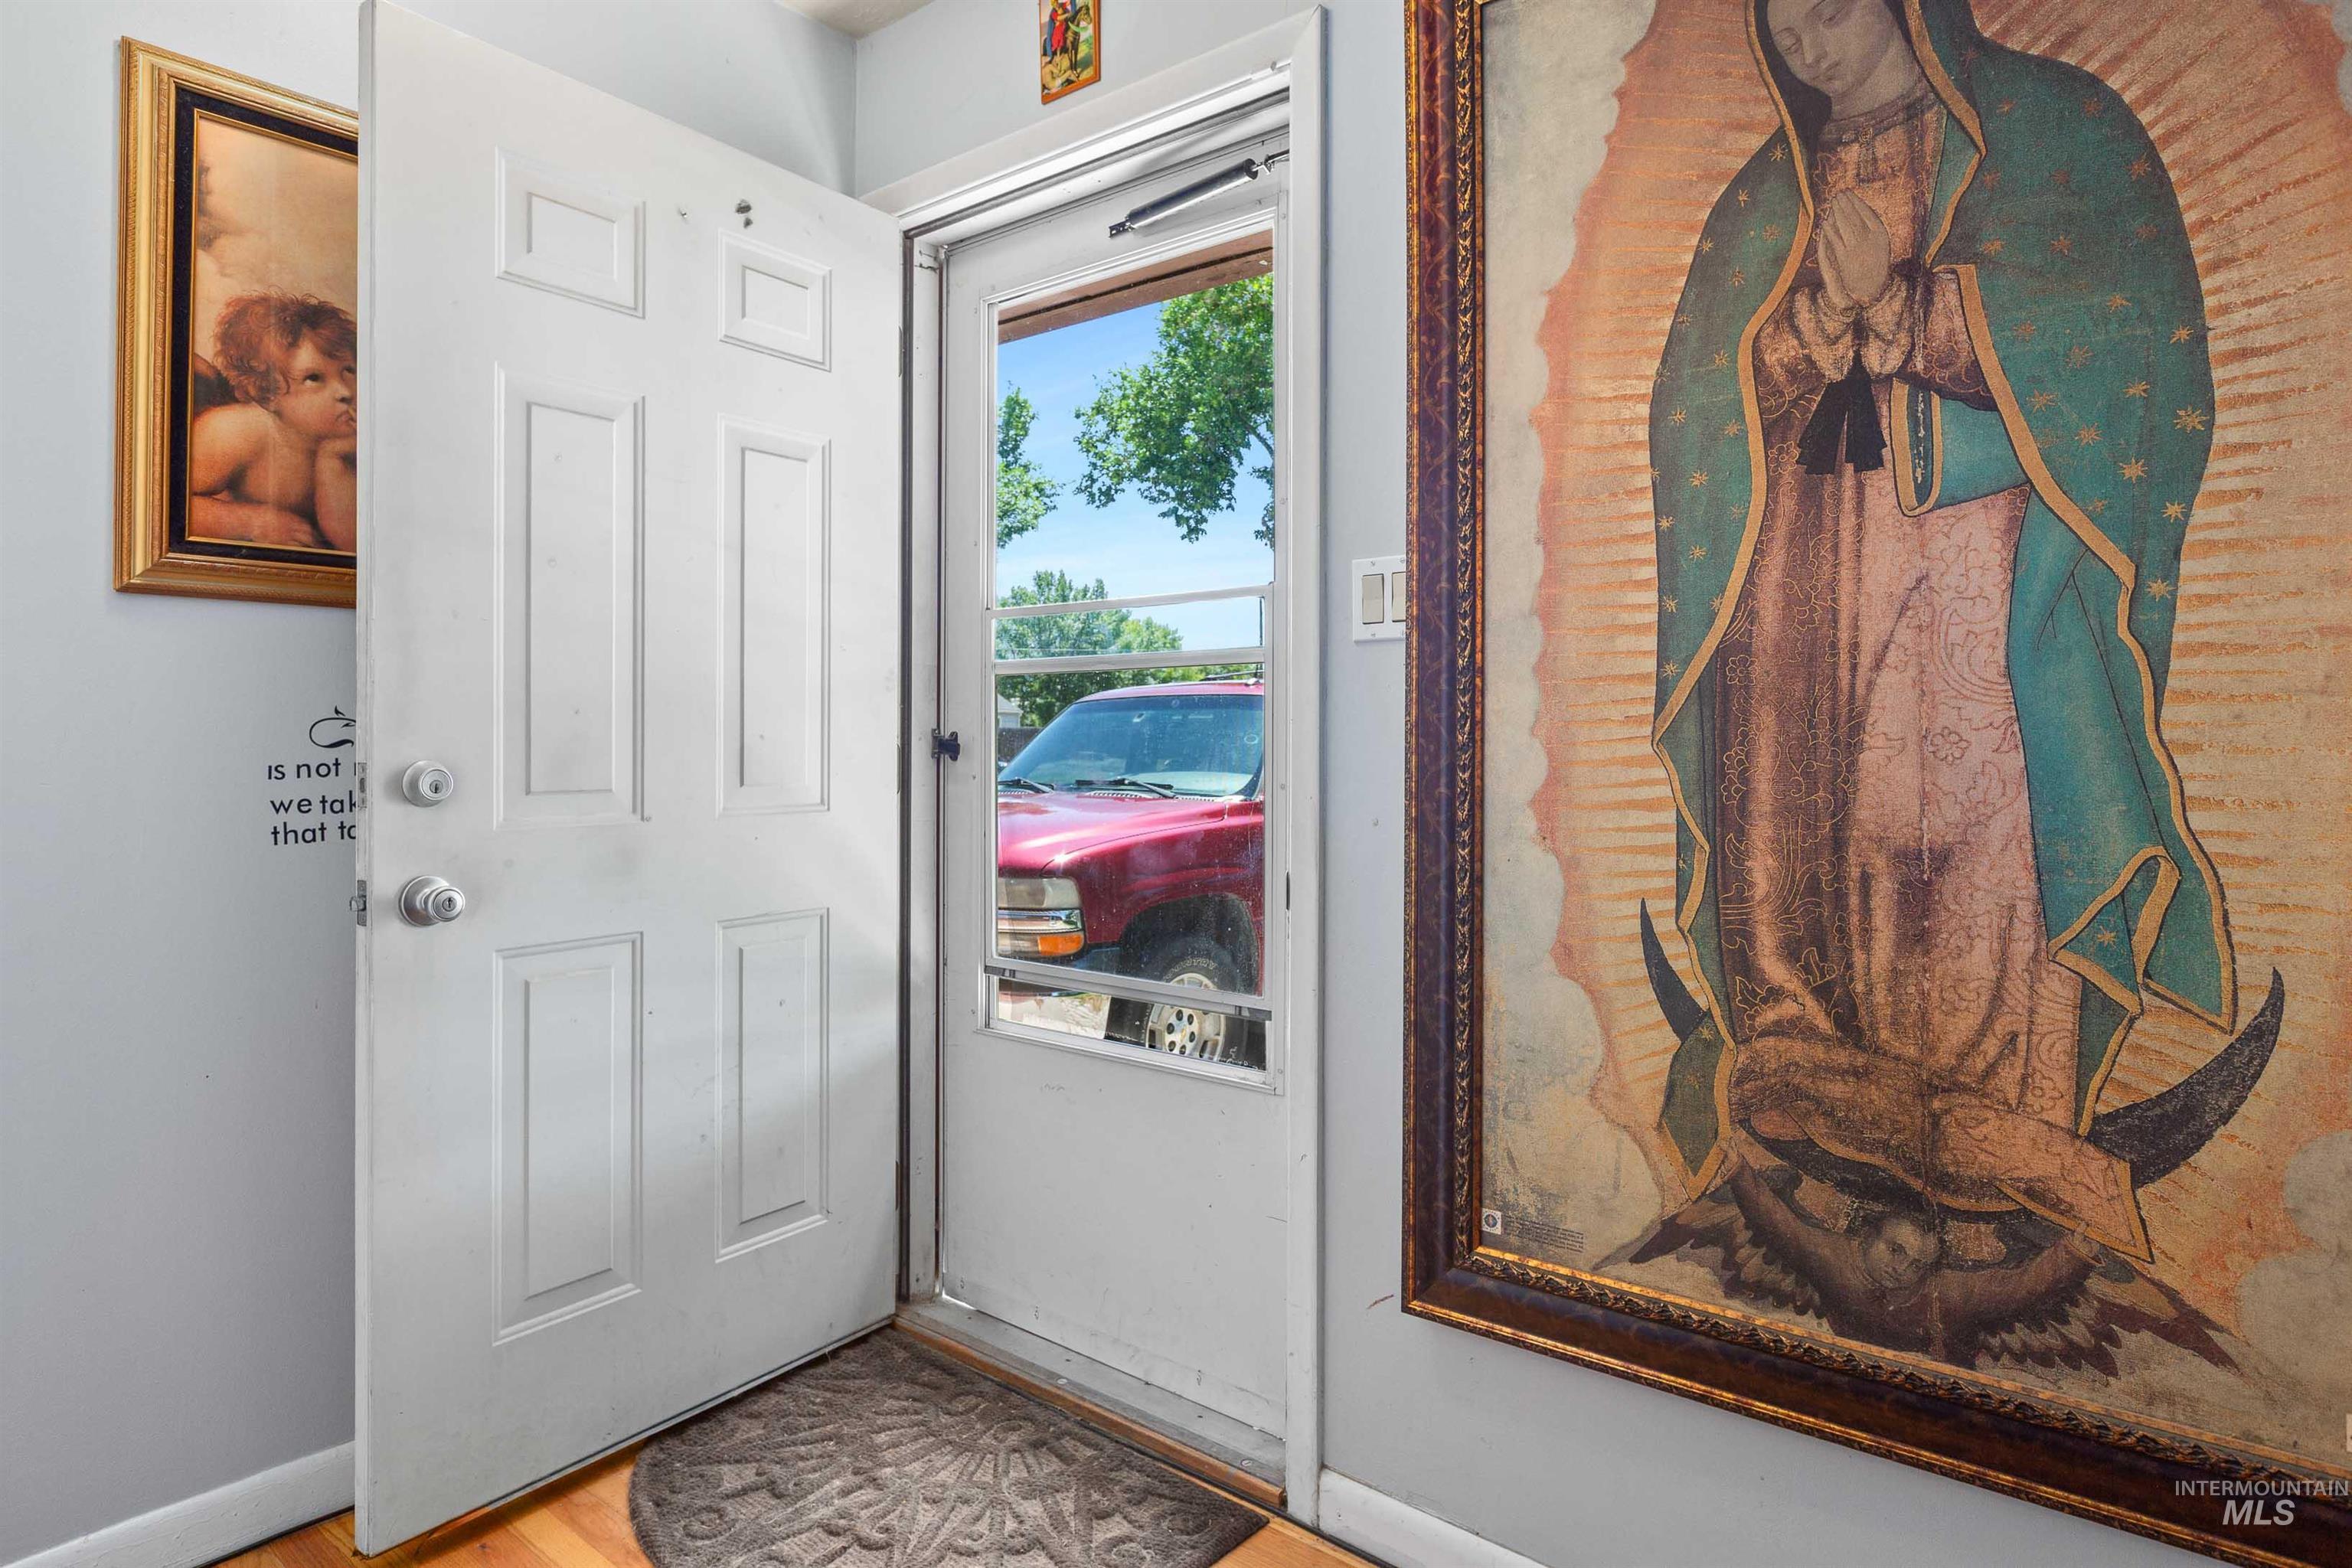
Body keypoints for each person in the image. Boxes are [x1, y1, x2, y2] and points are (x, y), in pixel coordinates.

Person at [1644, 0, 2231, 1268]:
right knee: (1807, 815)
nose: (1799, 32)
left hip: (1982, 568)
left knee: (1979, 816)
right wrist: (1803, 332)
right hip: (1797, 578)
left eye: (1826, 0)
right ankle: (1807, 1072)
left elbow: (2138, 349)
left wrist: (1918, 319)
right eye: (1775, 12)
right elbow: (1692, 402)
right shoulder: (1764, 196)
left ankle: (2000, 1129)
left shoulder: (2054, 134)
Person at [188, 291, 357, 551]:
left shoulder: (356, 442)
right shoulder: (233, 431)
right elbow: (164, 503)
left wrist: (332, 460)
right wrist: (251, 523)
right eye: (313, 378)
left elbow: (352, 548)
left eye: (349, 371)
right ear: (265, 395)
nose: (346, 392)